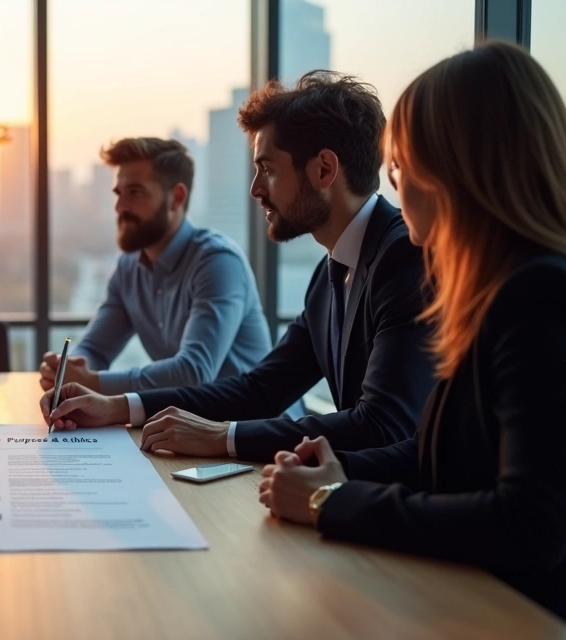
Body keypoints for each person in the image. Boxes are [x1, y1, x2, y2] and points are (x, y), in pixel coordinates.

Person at [260, 41, 566, 620]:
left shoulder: (536, 298)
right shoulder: (496, 290)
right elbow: (442, 459)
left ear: (460, 169)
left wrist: (332, 499)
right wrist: (339, 468)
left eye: (403, 163)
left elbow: (530, 523)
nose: (394, 184)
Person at [42, 72, 436, 463]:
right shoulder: (329, 274)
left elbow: (384, 426)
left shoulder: (402, 258)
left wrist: (223, 437)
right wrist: (116, 407)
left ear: (323, 170)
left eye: (268, 169)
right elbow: (260, 390)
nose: (256, 189)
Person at [38, 138, 272, 396]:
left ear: (177, 197)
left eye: (135, 192)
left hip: (261, 429)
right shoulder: (128, 268)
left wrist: (93, 382)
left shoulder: (218, 262)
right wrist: (70, 370)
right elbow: (94, 349)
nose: (120, 207)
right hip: (192, 425)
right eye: (119, 193)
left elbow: (194, 371)